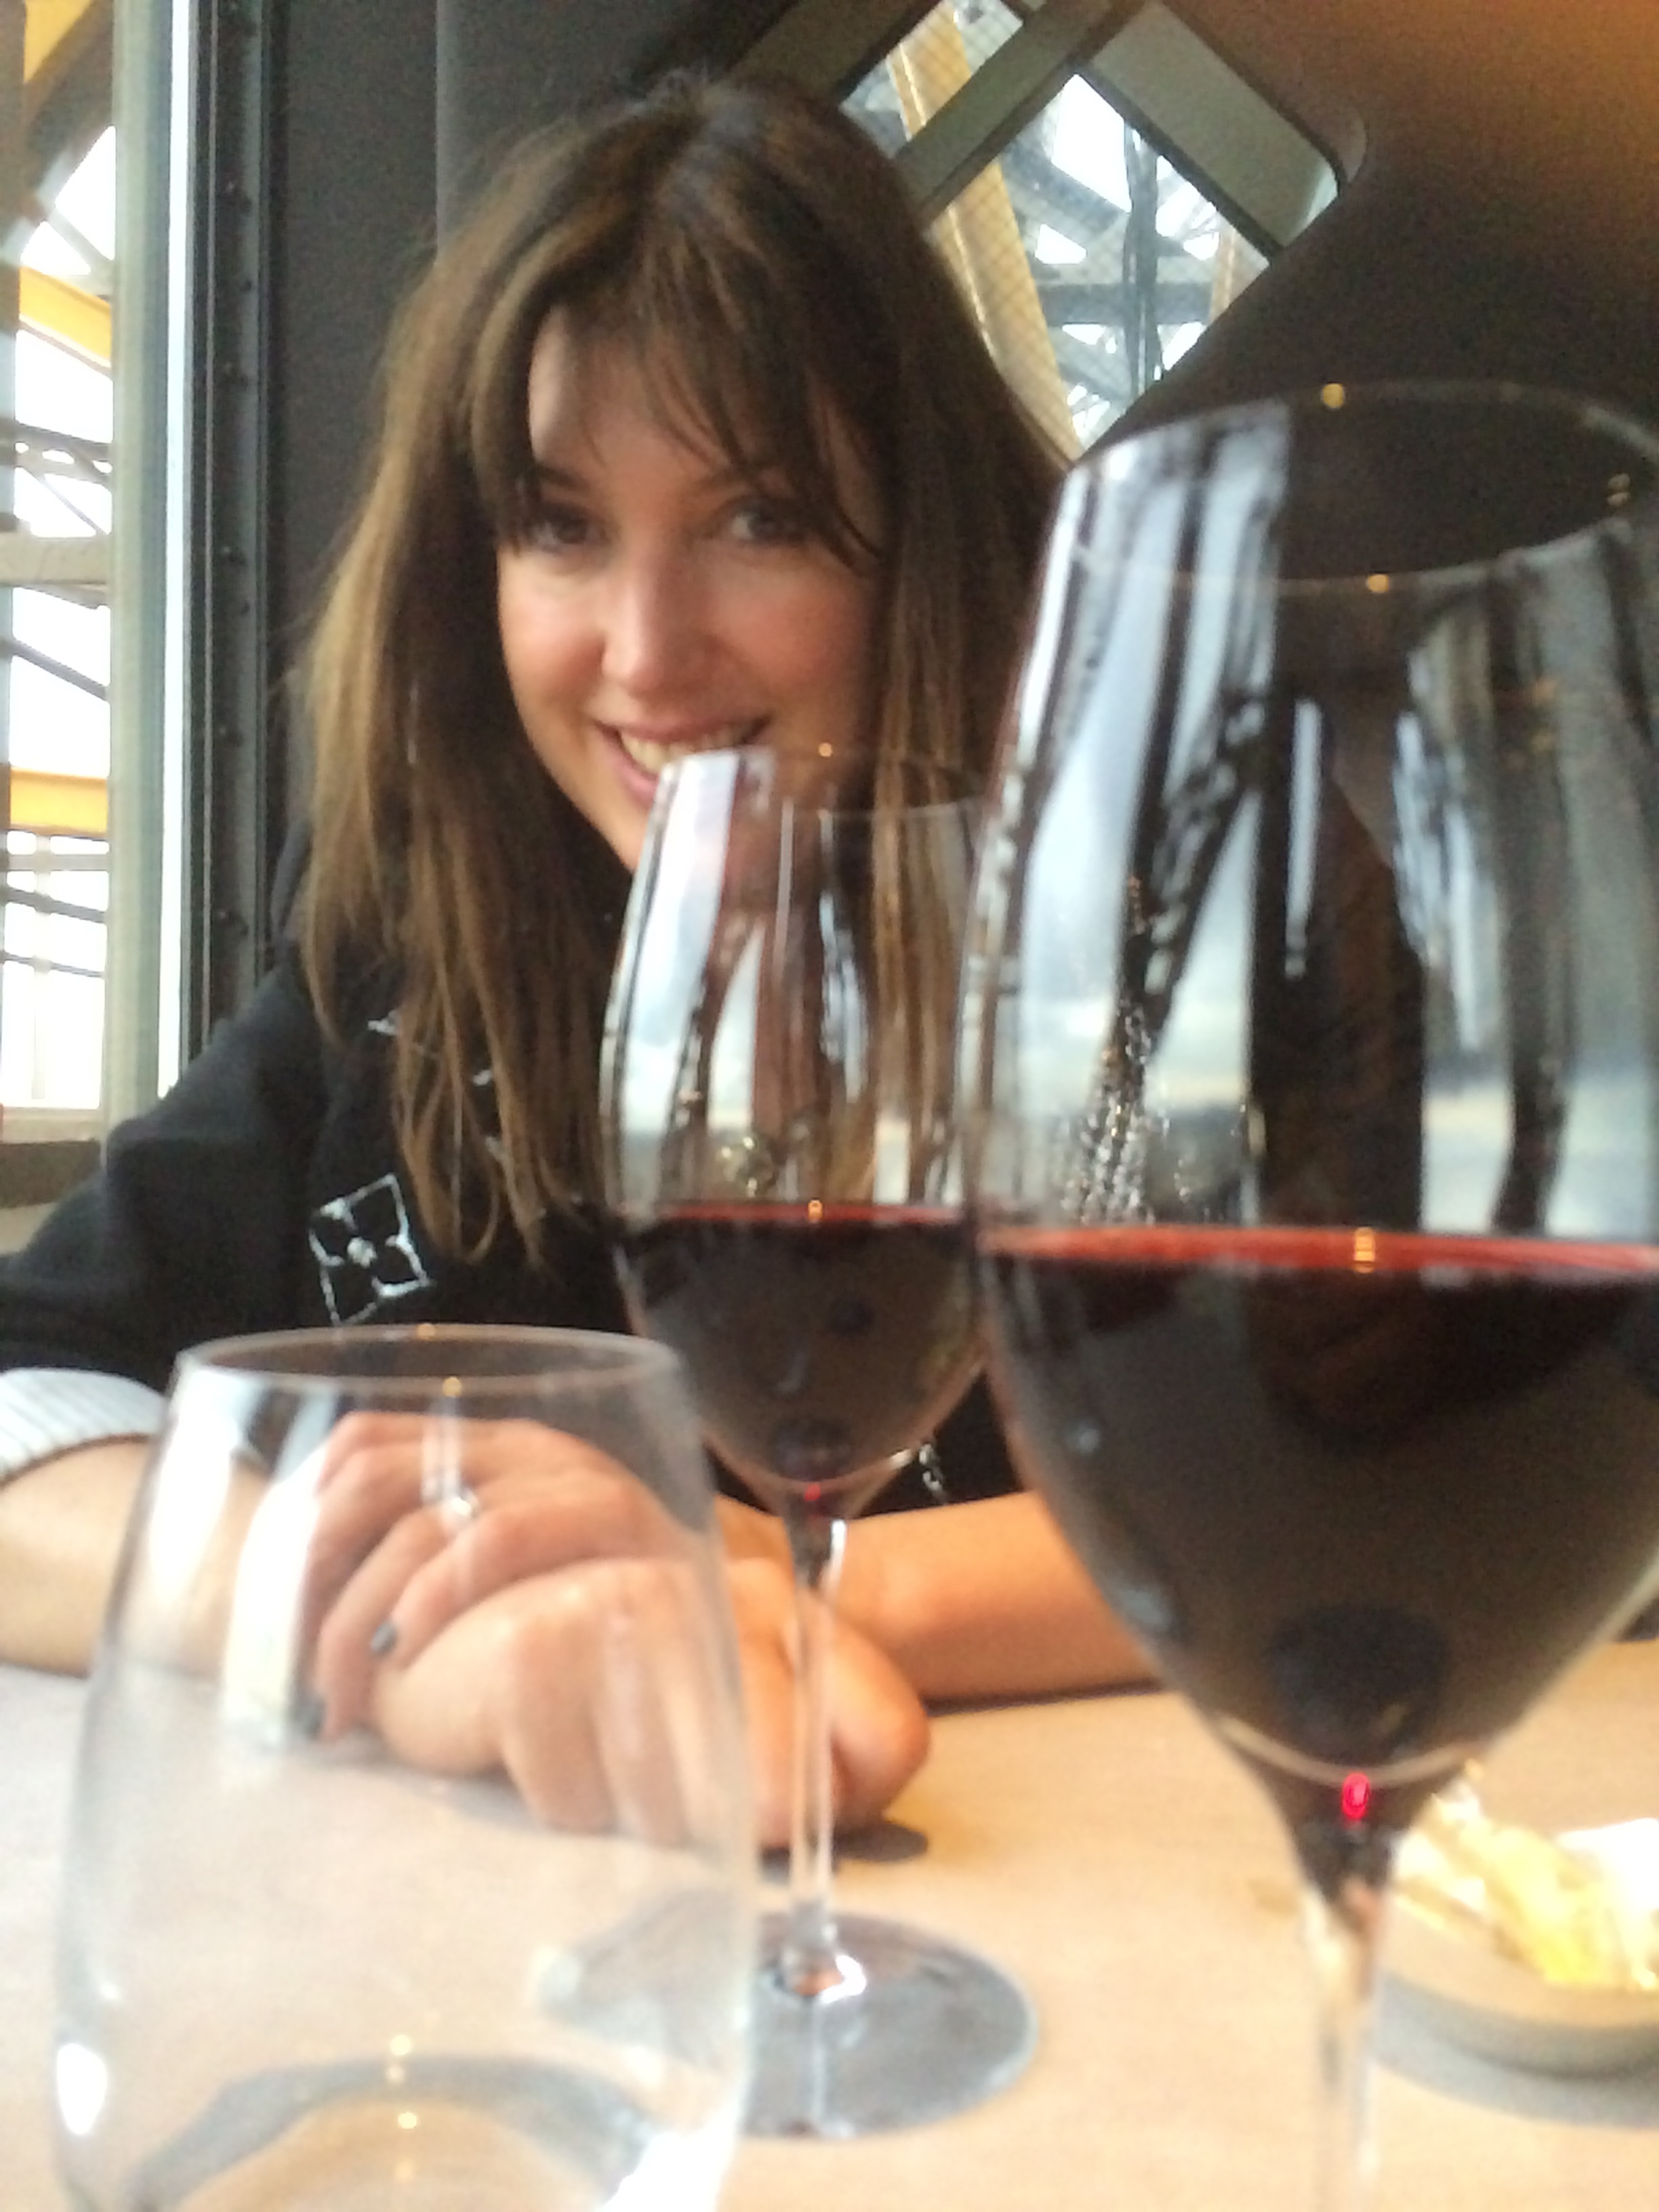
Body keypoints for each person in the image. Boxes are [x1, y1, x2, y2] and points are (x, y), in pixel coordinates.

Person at [0, 71, 1147, 1840]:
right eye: (562, 527)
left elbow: (1412, 1472)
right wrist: (392, 1620)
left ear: (922, 543)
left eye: (761, 518)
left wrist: (745, 1582)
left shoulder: (1170, 917)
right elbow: (29, 1386)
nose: (646, 652)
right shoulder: (414, 946)